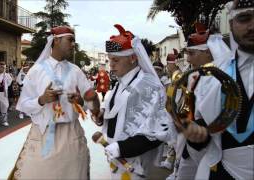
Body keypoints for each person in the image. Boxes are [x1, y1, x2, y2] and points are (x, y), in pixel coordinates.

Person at [9, 26, 100, 179]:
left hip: (71, 136)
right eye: (70, 40)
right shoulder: (36, 71)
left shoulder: (76, 71)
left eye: (74, 41)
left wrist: (80, 100)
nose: (73, 45)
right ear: (56, 41)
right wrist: (41, 100)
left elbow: (91, 104)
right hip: (43, 136)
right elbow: (23, 104)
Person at [182, 0, 254, 179]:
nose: (252, 26)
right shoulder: (209, 77)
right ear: (231, 24)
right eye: (245, 18)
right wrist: (196, 135)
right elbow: (202, 129)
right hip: (221, 171)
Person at [94, 24, 176, 179]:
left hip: (137, 164)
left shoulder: (148, 85)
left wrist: (120, 148)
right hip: (117, 158)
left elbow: (158, 131)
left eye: (116, 60)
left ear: (132, 58)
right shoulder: (121, 81)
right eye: (110, 59)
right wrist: (103, 114)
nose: (111, 65)